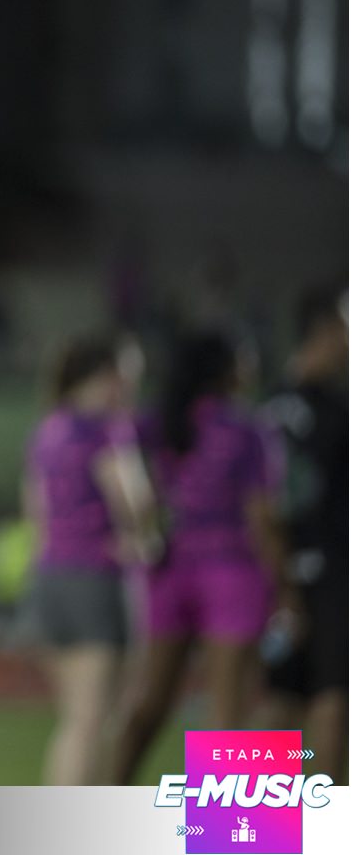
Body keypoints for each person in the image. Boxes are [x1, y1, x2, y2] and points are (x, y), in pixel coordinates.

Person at [111, 331, 290, 783]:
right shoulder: (248, 429)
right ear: (227, 370)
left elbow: (128, 483)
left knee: (149, 704)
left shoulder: (158, 421)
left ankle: (102, 801)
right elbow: (261, 516)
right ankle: (233, 827)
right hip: (234, 571)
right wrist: (287, 586)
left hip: (170, 569)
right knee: (228, 712)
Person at [24, 333, 159, 785]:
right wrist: (145, 537)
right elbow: (133, 502)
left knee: (75, 720)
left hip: (51, 577)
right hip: (97, 577)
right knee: (92, 723)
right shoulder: (106, 430)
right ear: (109, 375)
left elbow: (36, 512)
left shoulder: (48, 430)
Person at [260, 282, 347, 784]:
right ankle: (334, 820)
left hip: (273, 572)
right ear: (326, 330)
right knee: (334, 697)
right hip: (331, 572)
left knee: (280, 696)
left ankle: (243, 822)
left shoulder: (266, 405)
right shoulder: (336, 411)